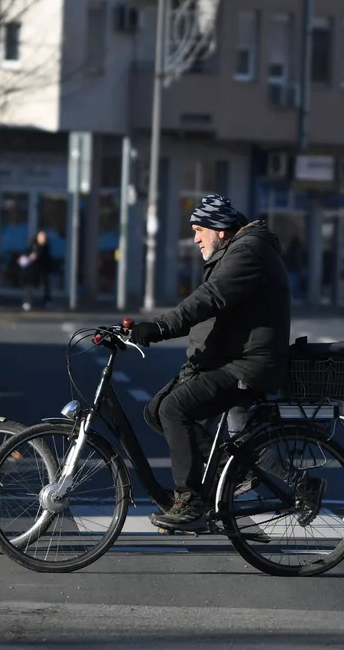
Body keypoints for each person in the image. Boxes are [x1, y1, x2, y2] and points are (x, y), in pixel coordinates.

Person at [128, 194, 291, 531]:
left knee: (174, 409)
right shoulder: (239, 250)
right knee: (156, 409)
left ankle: (192, 501)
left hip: (248, 364)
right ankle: (227, 473)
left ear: (220, 229)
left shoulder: (248, 253)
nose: (195, 238)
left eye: (199, 229)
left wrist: (158, 327)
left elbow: (209, 298)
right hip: (231, 358)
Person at [20, 230, 51, 312]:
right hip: (32, 270)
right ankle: (27, 301)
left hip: (42, 269)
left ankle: (46, 300)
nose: (42, 239)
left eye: (44, 237)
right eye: (41, 237)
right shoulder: (33, 246)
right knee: (29, 285)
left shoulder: (46, 248)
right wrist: (29, 258)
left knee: (45, 284)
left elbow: (47, 259)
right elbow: (26, 254)